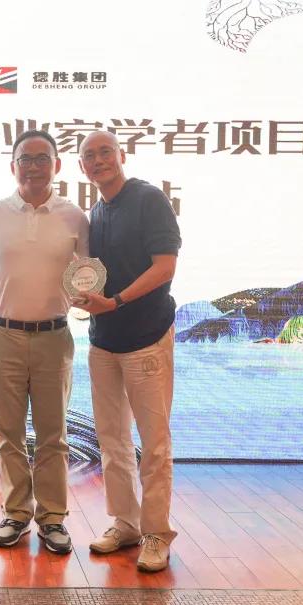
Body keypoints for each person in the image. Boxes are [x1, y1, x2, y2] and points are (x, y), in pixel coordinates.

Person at [0, 130, 89, 554]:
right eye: (25, 159)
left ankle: (52, 518)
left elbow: (90, 271)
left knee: (53, 435)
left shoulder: (74, 217)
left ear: (57, 166)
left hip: (54, 337)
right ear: (13, 167)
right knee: (7, 433)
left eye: (42, 158)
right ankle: (15, 514)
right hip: (3, 336)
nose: (33, 166)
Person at [73, 130, 182, 572]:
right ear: (82, 167)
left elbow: (165, 266)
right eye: (89, 156)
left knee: (153, 443)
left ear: (122, 155)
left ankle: (156, 533)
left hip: (147, 337)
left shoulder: (148, 199)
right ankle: (126, 523)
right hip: (103, 342)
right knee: (112, 439)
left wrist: (116, 301)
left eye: (105, 152)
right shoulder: (95, 212)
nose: (98, 160)